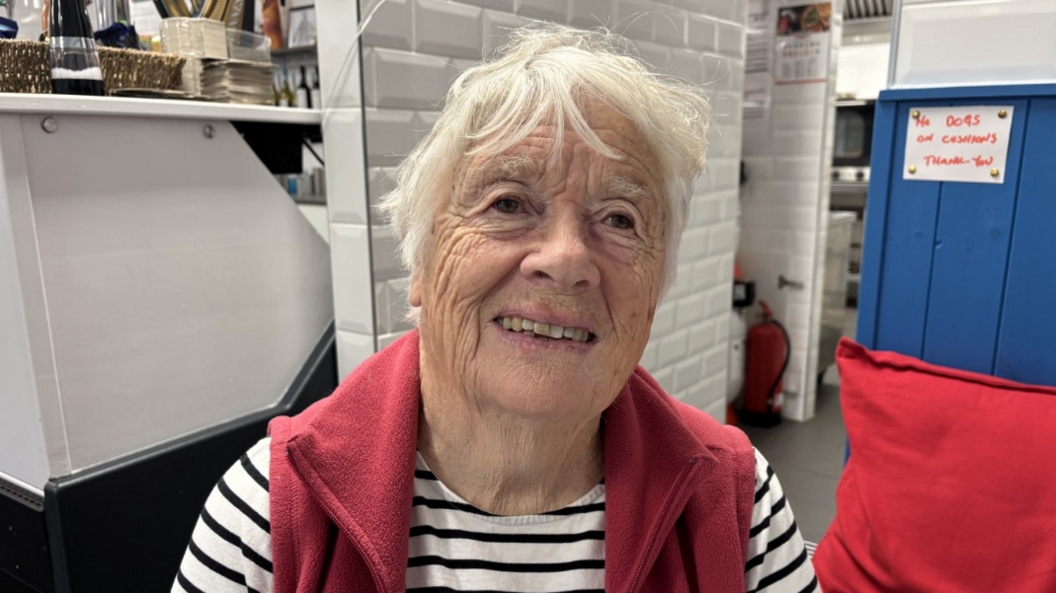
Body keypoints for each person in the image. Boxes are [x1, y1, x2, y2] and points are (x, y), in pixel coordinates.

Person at [173, 23, 818, 593]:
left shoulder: (739, 507)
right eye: (508, 203)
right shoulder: (271, 513)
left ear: (654, 289)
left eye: (620, 219)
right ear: (420, 265)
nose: (566, 258)